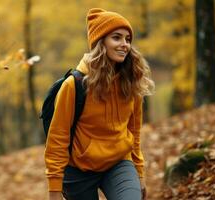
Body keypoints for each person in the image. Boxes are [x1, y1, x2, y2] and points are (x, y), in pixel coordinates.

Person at [45, 8, 155, 200]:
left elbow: (134, 133)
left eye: (128, 39)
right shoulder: (75, 85)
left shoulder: (131, 81)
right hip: (78, 171)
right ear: (100, 41)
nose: (125, 45)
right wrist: (54, 190)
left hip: (118, 165)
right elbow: (57, 138)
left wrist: (139, 173)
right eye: (117, 37)